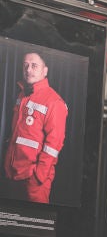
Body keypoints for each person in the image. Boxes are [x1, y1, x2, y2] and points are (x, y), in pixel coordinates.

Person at [3, 52, 68, 203]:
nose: (28, 69)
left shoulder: (54, 102)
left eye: (34, 66)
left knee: (35, 223)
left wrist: (39, 176)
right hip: (13, 173)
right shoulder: (22, 95)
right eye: (25, 65)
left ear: (45, 71)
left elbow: (54, 144)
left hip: (34, 180)